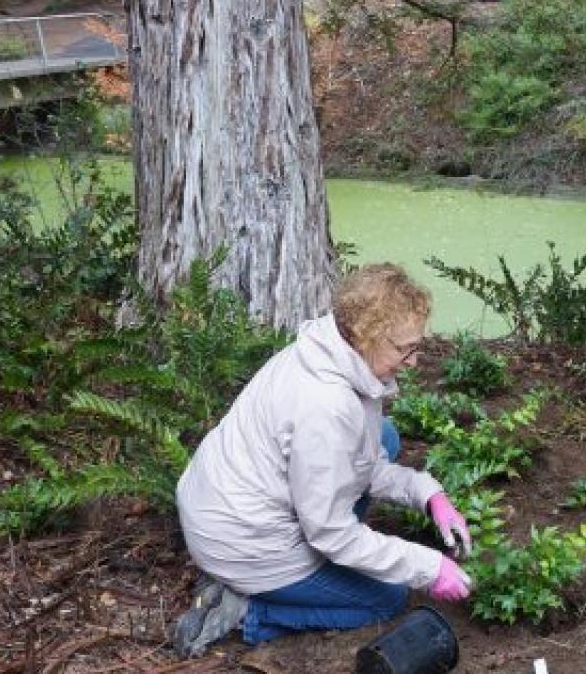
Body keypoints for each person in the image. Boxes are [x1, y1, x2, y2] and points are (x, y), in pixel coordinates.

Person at [172, 263, 475, 656]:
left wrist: (427, 494)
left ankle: (263, 585)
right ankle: (245, 610)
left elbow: (362, 462)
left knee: (385, 437)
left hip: (228, 504)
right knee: (388, 599)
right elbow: (330, 533)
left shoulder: (327, 350)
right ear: (367, 337)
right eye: (404, 349)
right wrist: (430, 568)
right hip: (244, 542)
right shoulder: (325, 407)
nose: (414, 361)